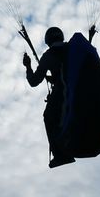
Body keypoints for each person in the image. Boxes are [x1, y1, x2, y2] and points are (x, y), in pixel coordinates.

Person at [23, 26, 75, 168]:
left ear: (47, 41)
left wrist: (28, 66)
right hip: (76, 90)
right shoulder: (72, 49)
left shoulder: (49, 56)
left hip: (62, 94)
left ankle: (61, 154)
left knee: (49, 117)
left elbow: (34, 81)